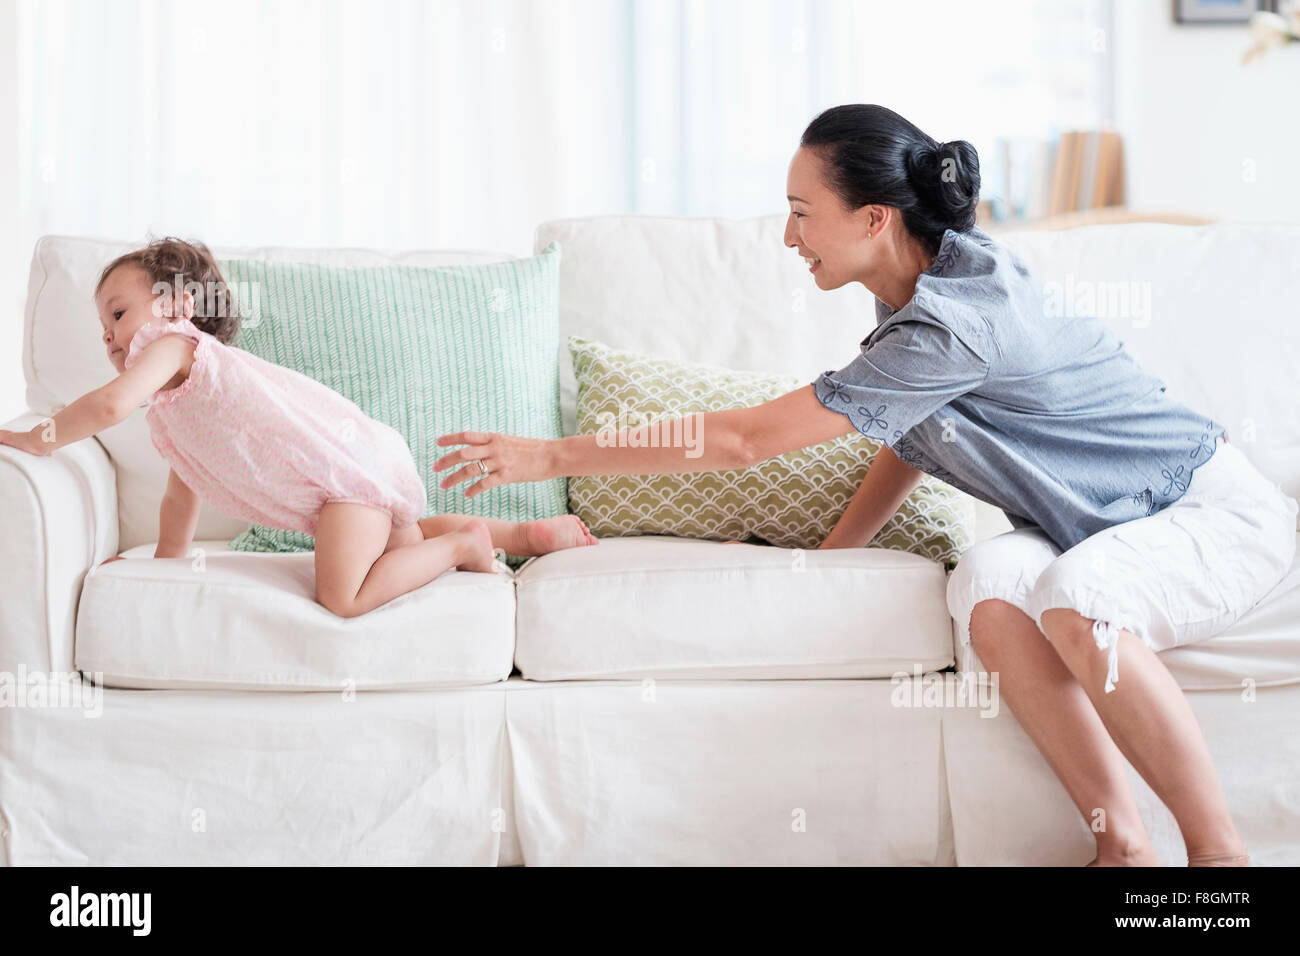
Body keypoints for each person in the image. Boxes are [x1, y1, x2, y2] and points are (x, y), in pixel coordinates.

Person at [433, 104, 1297, 867]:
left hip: (1201, 509)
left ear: (875, 218)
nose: (788, 236)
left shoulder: (957, 318)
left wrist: (549, 458)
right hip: (1106, 525)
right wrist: (835, 554)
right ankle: (1122, 845)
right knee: (990, 592)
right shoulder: (919, 292)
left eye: (803, 214)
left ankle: (1219, 860)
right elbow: (914, 434)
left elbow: (743, 441)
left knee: (1074, 598)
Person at [0, 237, 596, 618]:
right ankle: (511, 535)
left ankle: (465, 546)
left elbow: (107, 407)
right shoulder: (176, 409)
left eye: (118, 314)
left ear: (177, 304)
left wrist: (39, 438)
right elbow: (181, 495)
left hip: (342, 481)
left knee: (343, 597)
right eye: (104, 326)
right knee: (402, 543)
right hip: (347, 481)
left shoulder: (174, 345)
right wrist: (166, 566)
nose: (109, 336)